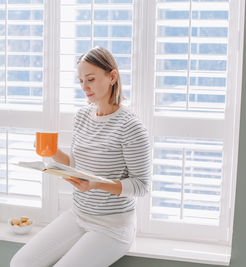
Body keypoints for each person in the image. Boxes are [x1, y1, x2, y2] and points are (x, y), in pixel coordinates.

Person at [10, 46, 151, 267]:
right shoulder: (82, 116)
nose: (85, 87)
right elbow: (77, 166)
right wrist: (52, 153)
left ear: (112, 76)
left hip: (113, 226)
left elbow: (141, 186)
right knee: (21, 263)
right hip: (78, 214)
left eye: (91, 79)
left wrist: (97, 185)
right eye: (81, 81)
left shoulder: (130, 126)